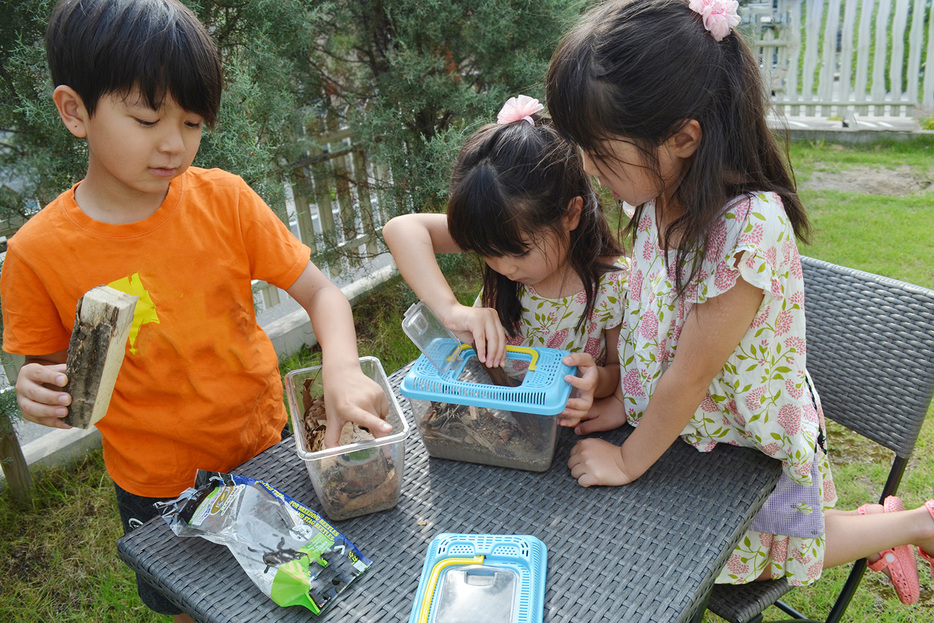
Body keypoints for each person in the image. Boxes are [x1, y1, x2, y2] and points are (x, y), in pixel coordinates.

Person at [0, 1, 392, 621]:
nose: (173, 144)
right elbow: (56, 375)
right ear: (75, 111)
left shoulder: (225, 201)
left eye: (191, 123)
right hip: (157, 485)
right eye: (147, 118)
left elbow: (321, 293)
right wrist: (38, 391)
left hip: (265, 447)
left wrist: (342, 368)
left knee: (297, 582)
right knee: (199, 605)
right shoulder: (36, 254)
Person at [544, 0, 934, 604]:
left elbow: (690, 375)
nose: (589, 170)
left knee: (770, 554)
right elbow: (656, 332)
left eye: (600, 151)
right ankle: (892, 525)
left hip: (741, 453)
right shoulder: (655, 200)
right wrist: (625, 399)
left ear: (682, 138)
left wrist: (626, 461)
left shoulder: (747, 230)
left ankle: (913, 525)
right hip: (689, 439)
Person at [383, 95, 629, 422]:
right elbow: (401, 229)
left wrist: (595, 385)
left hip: (559, 433)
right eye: (487, 253)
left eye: (520, 252)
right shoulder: (501, 235)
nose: (504, 268)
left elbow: (617, 371)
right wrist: (452, 311)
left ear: (570, 214)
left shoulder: (613, 285)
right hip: (494, 418)